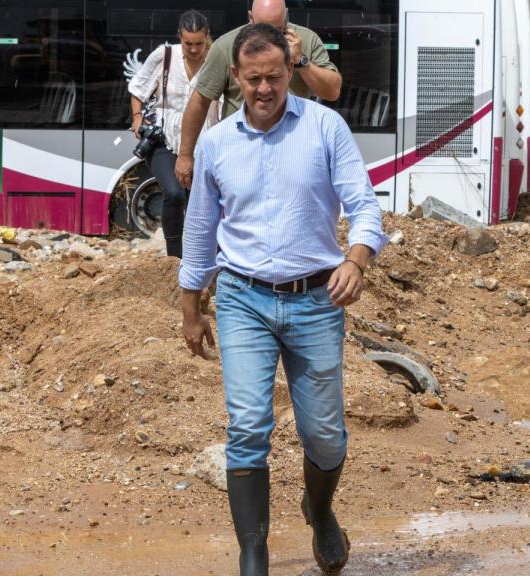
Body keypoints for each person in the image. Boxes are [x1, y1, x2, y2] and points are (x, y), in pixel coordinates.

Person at [178, 24, 386, 576]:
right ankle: (254, 551)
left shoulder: (325, 128)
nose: (263, 89)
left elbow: (365, 208)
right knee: (247, 426)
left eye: (273, 77)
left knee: (324, 433)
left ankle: (319, 510)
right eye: (252, 80)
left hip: (316, 300)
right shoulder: (217, 143)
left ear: (290, 73)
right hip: (243, 299)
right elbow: (200, 231)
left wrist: (355, 260)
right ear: (236, 80)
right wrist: (190, 307)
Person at [174, 0, 343, 190]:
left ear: (286, 16)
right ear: (250, 18)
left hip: (293, 149)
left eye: (279, 30)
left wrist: (301, 61)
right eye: (264, 29)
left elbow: (332, 91)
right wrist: (185, 155)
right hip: (241, 150)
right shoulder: (226, 46)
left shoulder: (305, 39)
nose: (271, 39)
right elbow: (200, 101)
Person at [128, 10, 218, 258]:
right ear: (180, 37)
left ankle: (206, 258)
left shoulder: (216, 60)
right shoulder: (165, 56)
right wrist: (137, 118)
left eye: (199, 43)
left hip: (203, 144)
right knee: (175, 192)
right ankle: (174, 258)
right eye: (188, 43)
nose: (193, 49)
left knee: (202, 204)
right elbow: (137, 88)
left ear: (206, 38)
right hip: (164, 141)